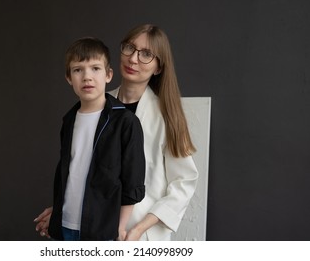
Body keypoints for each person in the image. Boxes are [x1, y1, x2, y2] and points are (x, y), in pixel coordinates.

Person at [35, 24, 198, 241]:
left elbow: (184, 183)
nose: (133, 59)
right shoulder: (93, 101)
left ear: (158, 67)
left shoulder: (168, 116)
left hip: (139, 233)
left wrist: (139, 229)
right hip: (95, 228)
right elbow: (85, 170)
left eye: (146, 54)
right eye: (129, 48)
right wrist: (63, 212)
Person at [35, 37, 145, 241]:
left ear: (108, 75)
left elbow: (132, 182)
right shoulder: (69, 120)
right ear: (69, 78)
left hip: (102, 230)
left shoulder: (125, 122)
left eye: (95, 68)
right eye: (78, 70)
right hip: (64, 226)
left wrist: (120, 228)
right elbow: (67, 174)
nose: (87, 77)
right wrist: (57, 214)